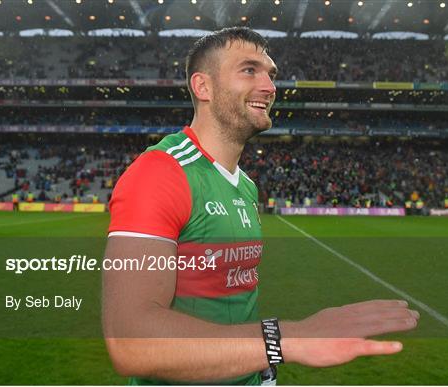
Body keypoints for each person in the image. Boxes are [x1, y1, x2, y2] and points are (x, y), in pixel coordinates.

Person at [103, 27, 419, 385]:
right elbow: (131, 342)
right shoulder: (161, 172)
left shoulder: (246, 185)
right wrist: (283, 340)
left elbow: (228, 304)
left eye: (271, 74)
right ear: (202, 87)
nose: (270, 88)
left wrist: (260, 365)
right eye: (250, 70)